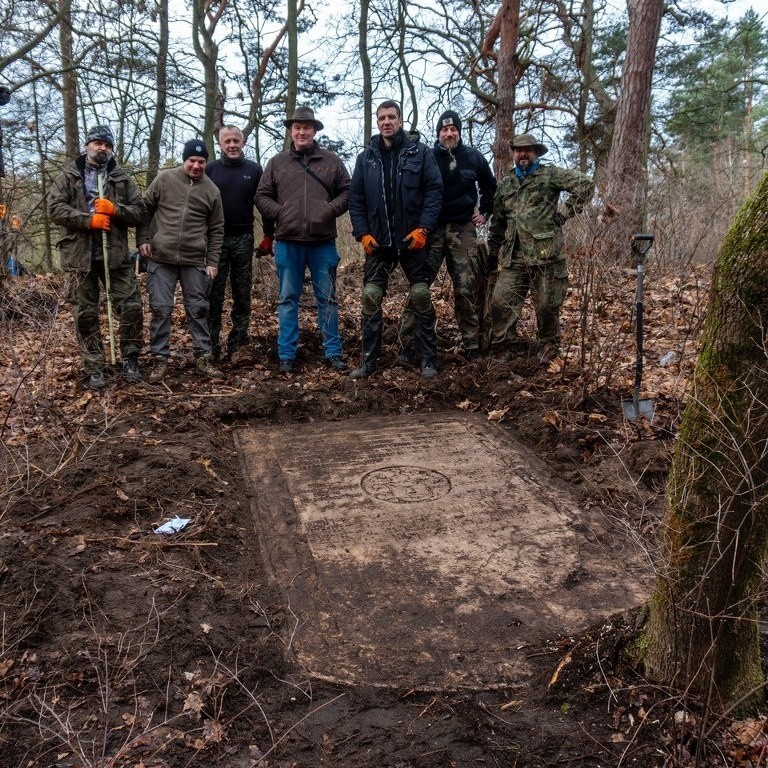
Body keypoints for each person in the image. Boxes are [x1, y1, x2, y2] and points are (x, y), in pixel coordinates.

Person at [348, 100, 443, 380]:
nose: (386, 122)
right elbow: (356, 199)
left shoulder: (420, 153)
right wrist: (362, 232)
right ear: (377, 123)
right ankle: (367, 361)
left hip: (412, 240)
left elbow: (434, 191)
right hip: (378, 241)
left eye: (391, 117)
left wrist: (424, 229)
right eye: (381, 118)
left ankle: (428, 359)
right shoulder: (366, 158)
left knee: (421, 295)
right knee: (370, 296)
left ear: (400, 120)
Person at [255, 106, 350, 374]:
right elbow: (261, 196)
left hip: (322, 242)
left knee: (328, 298)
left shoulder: (331, 161)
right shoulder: (276, 163)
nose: (302, 131)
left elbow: (348, 191)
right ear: (291, 131)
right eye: (297, 127)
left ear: (315, 130)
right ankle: (286, 354)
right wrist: (280, 212)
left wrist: (329, 210)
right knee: (287, 298)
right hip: (288, 242)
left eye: (307, 127)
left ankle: (333, 352)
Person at [49, 124, 145, 389]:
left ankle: (130, 358)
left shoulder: (121, 178)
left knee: (131, 306)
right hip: (79, 256)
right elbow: (55, 208)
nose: (102, 148)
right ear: (88, 145)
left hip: (115, 255)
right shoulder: (69, 176)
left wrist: (116, 209)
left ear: (112, 149)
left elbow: (139, 212)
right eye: (97, 143)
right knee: (85, 313)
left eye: (107, 144)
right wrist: (87, 220)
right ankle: (94, 366)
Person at [398, 109, 497, 362]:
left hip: (463, 228)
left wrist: (484, 212)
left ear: (459, 132)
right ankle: (407, 344)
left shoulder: (473, 157)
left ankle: (471, 344)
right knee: (419, 286)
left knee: (466, 287)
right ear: (438, 133)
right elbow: (411, 189)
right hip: (431, 229)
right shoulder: (427, 157)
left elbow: (490, 187)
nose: (449, 133)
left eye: (453, 130)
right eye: (444, 130)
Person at [488, 133, 594, 358]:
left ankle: (549, 344)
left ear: (536, 153)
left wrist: (565, 213)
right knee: (500, 301)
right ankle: (506, 345)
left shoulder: (549, 175)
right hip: (513, 255)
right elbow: (497, 222)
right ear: (514, 154)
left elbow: (585, 183)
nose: (522, 154)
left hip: (544, 253)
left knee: (546, 305)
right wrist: (493, 251)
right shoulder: (506, 183)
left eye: (527, 150)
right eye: (518, 150)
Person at [137, 139, 225, 383]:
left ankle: (203, 356)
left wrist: (212, 261)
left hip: (195, 260)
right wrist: (143, 238)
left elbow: (217, 229)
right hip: (161, 258)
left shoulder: (211, 190)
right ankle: (159, 359)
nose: (196, 166)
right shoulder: (164, 179)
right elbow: (145, 209)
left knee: (198, 309)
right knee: (160, 308)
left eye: (201, 162)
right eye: (192, 161)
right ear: (184, 160)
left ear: (206, 163)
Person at [205, 125, 272, 362]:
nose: (232, 145)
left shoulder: (254, 170)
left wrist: (268, 235)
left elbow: (264, 203)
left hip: (244, 238)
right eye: (227, 142)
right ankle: (211, 346)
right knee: (213, 295)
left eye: (236, 141)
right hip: (215, 240)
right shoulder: (210, 169)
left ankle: (238, 345)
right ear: (220, 144)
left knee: (242, 294)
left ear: (243, 143)